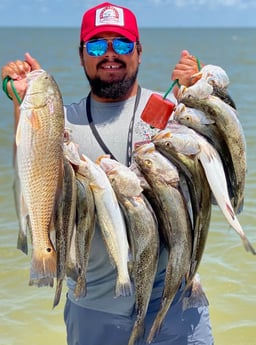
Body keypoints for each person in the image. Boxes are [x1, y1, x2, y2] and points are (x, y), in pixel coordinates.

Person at [1, 2, 214, 344]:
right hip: (95, 309)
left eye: (123, 44)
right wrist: (23, 102)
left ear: (140, 52)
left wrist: (200, 94)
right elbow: (31, 169)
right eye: (98, 45)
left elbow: (212, 173)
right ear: (82, 54)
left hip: (176, 305)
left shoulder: (170, 111)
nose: (110, 54)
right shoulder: (61, 122)